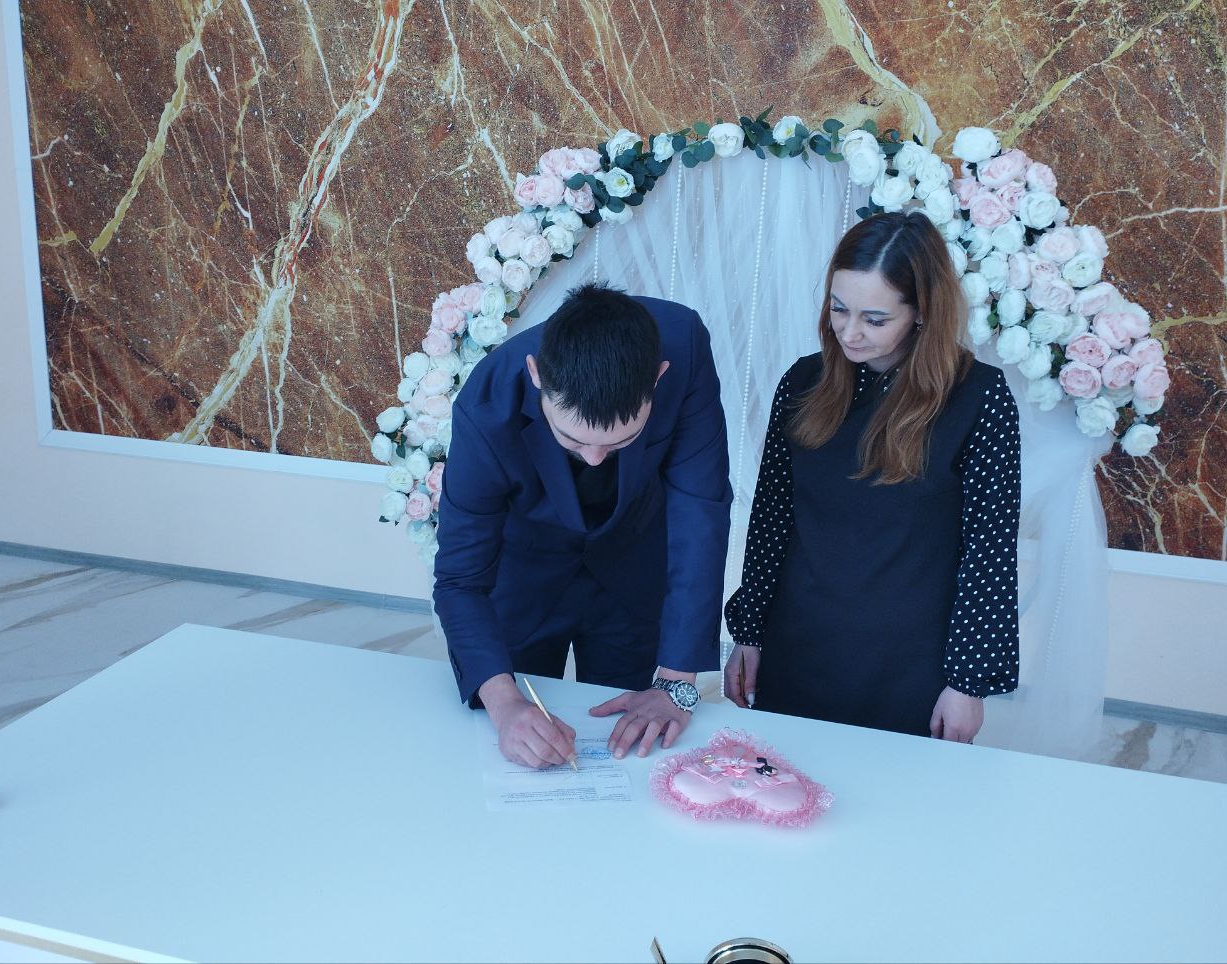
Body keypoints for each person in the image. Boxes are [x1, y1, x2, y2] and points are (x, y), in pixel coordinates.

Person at [723, 211, 1021, 741]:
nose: (849, 332)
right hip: (798, 646)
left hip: (911, 665)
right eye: (839, 309)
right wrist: (748, 634)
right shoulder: (804, 381)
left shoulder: (979, 398)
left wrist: (968, 683)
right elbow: (771, 520)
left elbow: (988, 549)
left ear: (922, 312)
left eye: (875, 319)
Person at [435, 283, 731, 767]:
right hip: (525, 572)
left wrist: (676, 684)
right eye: (572, 440)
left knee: (631, 752)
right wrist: (506, 706)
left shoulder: (685, 346)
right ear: (536, 375)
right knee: (518, 741)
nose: (594, 459)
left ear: (658, 379)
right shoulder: (486, 405)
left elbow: (700, 511)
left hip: (631, 568)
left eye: (621, 442)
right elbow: (459, 579)